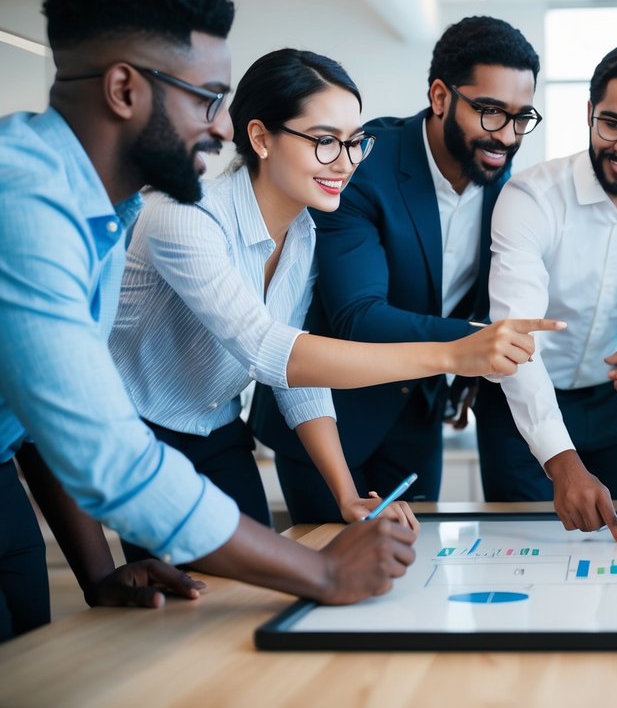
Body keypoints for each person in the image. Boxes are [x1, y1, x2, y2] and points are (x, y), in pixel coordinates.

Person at [0, 0, 416, 641]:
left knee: (27, 654)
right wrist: (322, 573)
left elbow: (43, 406)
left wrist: (98, 575)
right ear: (125, 90)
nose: (221, 127)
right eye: (207, 99)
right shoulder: (29, 207)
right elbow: (114, 459)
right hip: (138, 445)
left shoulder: (112, 213)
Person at [108, 48, 558, 562]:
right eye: (325, 142)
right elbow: (268, 350)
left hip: (217, 430)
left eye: (353, 143)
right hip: (137, 435)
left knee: (249, 594)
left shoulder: (301, 233)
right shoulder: (186, 217)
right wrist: (455, 353)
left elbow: (297, 379)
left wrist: (347, 495)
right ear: (260, 138)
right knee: (185, 609)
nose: (345, 164)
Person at [249, 16, 541, 516]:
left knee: (417, 575)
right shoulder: (364, 164)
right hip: (330, 418)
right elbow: (358, 316)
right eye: (491, 112)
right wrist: (478, 342)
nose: (507, 136)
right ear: (442, 97)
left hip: (416, 418)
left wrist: (468, 374)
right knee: (333, 575)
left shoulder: (500, 176)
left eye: (521, 118)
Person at [477, 42, 617, 542]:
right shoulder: (531, 197)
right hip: (518, 404)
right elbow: (514, 340)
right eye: (612, 124)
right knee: (522, 561)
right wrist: (562, 462)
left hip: (611, 407)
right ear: (589, 114)